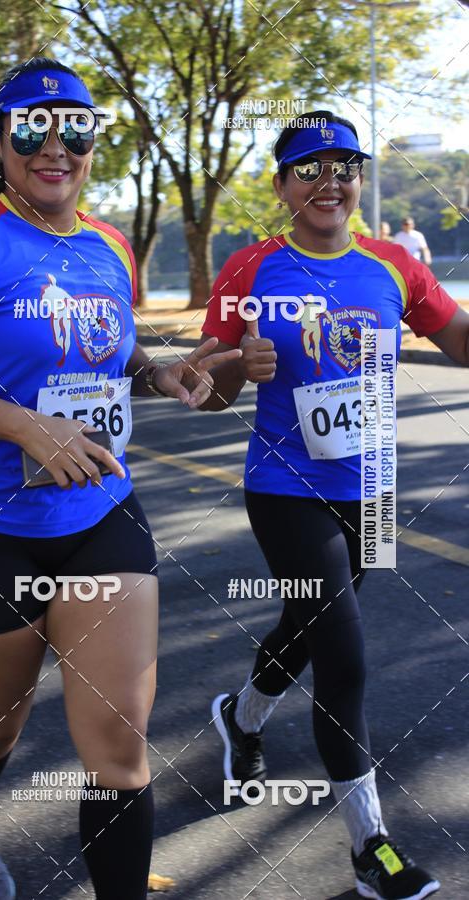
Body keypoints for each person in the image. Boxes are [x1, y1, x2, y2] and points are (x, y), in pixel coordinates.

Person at [0, 57, 240, 900]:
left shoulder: (110, 244)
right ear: (0, 141)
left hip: (98, 512)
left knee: (118, 750)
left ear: (91, 143)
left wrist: (158, 373)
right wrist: (21, 424)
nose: (56, 145)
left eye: (75, 127)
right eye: (32, 127)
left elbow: (110, 353)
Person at [197, 110, 469, 900]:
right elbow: (207, 393)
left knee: (306, 629)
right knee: (343, 657)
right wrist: (236, 367)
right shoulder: (249, 270)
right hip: (289, 490)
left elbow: (459, 339)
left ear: (360, 181)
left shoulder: (392, 266)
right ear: (283, 186)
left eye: (345, 165)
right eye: (310, 167)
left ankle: (241, 718)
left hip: (375, 494)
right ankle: (370, 848)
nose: (331, 180)